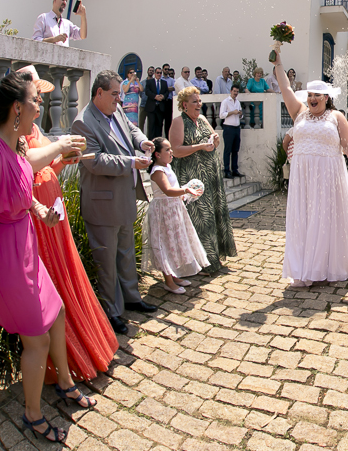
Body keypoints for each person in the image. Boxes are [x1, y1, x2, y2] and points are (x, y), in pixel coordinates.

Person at [0, 71, 98, 444]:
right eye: (34, 100)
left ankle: (65, 384)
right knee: (36, 340)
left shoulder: (16, 148)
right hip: (4, 258)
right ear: (15, 108)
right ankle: (32, 414)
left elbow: (21, 188)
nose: (40, 104)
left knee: (56, 311)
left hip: (24, 246)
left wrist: (40, 212)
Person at [19, 66, 119, 383]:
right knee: (55, 281)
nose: (39, 104)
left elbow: (48, 168)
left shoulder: (35, 131)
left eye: (39, 97)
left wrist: (65, 159)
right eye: (36, 96)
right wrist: (59, 147)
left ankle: (83, 349)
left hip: (54, 209)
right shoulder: (17, 134)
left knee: (67, 275)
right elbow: (24, 169)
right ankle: (63, 362)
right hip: (38, 219)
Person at [270, 50, 348, 287]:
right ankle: (303, 266)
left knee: (324, 219)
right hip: (302, 178)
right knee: (304, 219)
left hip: (329, 178)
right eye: (310, 95)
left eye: (317, 95)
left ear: (326, 98)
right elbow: (285, 88)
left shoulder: (337, 117)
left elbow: (347, 146)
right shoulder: (299, 113)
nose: (312, 98)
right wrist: (278, 60)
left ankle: (323, 265)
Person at [72, 70, 157, 334]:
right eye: (115, 94)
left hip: (123, 198)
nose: (119, 100)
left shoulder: (115, 110)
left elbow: (130, 128)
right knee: (106, 260)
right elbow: (95, 161)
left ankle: (132, 298)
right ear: (99, 93)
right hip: (102, 203)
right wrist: (132, 162)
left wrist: (142, 141)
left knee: (125, 252)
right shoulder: (83, 123)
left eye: (119, 94)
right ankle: (112, 311)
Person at [169, 87, 238, 274]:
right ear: (184, 105)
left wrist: (214, 141)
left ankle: (213, 257)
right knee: (199, 218)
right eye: (195, 101)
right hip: (192, 179)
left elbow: (213, 142)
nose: (199, 104)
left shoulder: (202, 119)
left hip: (210, 176)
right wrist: (200, 146)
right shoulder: (178, 122)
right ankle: (201, 262)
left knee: (213, 215)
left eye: (199, 101)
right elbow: (175, 150)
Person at [143, 137, 210, 294]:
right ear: (157, 154)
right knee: (165, 243)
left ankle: (175, 274)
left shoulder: (167, 167)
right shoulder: (157, 171)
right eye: (167, 149)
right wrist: (185, 190)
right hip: (163, 212)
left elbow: (173, 189)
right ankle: (168, 281)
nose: (171, 152)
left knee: (176, 242)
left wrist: (184, 192)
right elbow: (167, 190)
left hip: (174, 209)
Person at [219, 84, 244, 178]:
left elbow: (241, 115)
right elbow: (221, 115)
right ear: (231, 91)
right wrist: (232, 112)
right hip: (228, 127)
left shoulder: (238, 102)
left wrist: (240, 114)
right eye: (234, 91)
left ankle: (235, 169)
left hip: (236, 127)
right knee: (227, 150)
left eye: (237, 92)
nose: (235, 93)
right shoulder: (225, 102)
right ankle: (226, 170)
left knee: (235, 150)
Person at [144, 67, 171, 139]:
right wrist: (155, 96)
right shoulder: (150, 81)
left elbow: (166, 92)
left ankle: (158, 143)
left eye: (160, 73)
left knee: (159, 125)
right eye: (157, 73)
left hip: (160, 107)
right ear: (155, 73)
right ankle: (151, 143)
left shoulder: (164, 83)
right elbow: (147, 91)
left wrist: (163, 97)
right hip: (152, 107)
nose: (159, 74)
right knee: (151, 126)